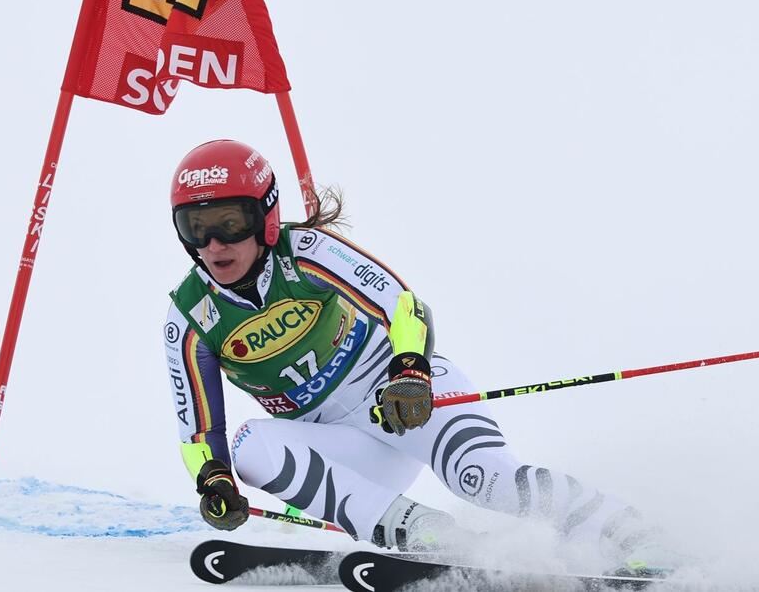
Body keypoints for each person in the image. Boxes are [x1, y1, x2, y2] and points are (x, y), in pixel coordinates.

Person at [164, 139, 671, 572]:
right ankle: (423, 532)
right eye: (194, 227)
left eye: (229, 223)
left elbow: (404, 306)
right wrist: (214, 478)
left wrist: (410, 370)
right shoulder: (189, 317)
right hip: (343, 447)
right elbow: (197, 431)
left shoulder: (308, 252)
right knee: (250, 445)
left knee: (485, 480)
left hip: (404, 403)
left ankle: (628, 532)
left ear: (264, 217)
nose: (212, 244)